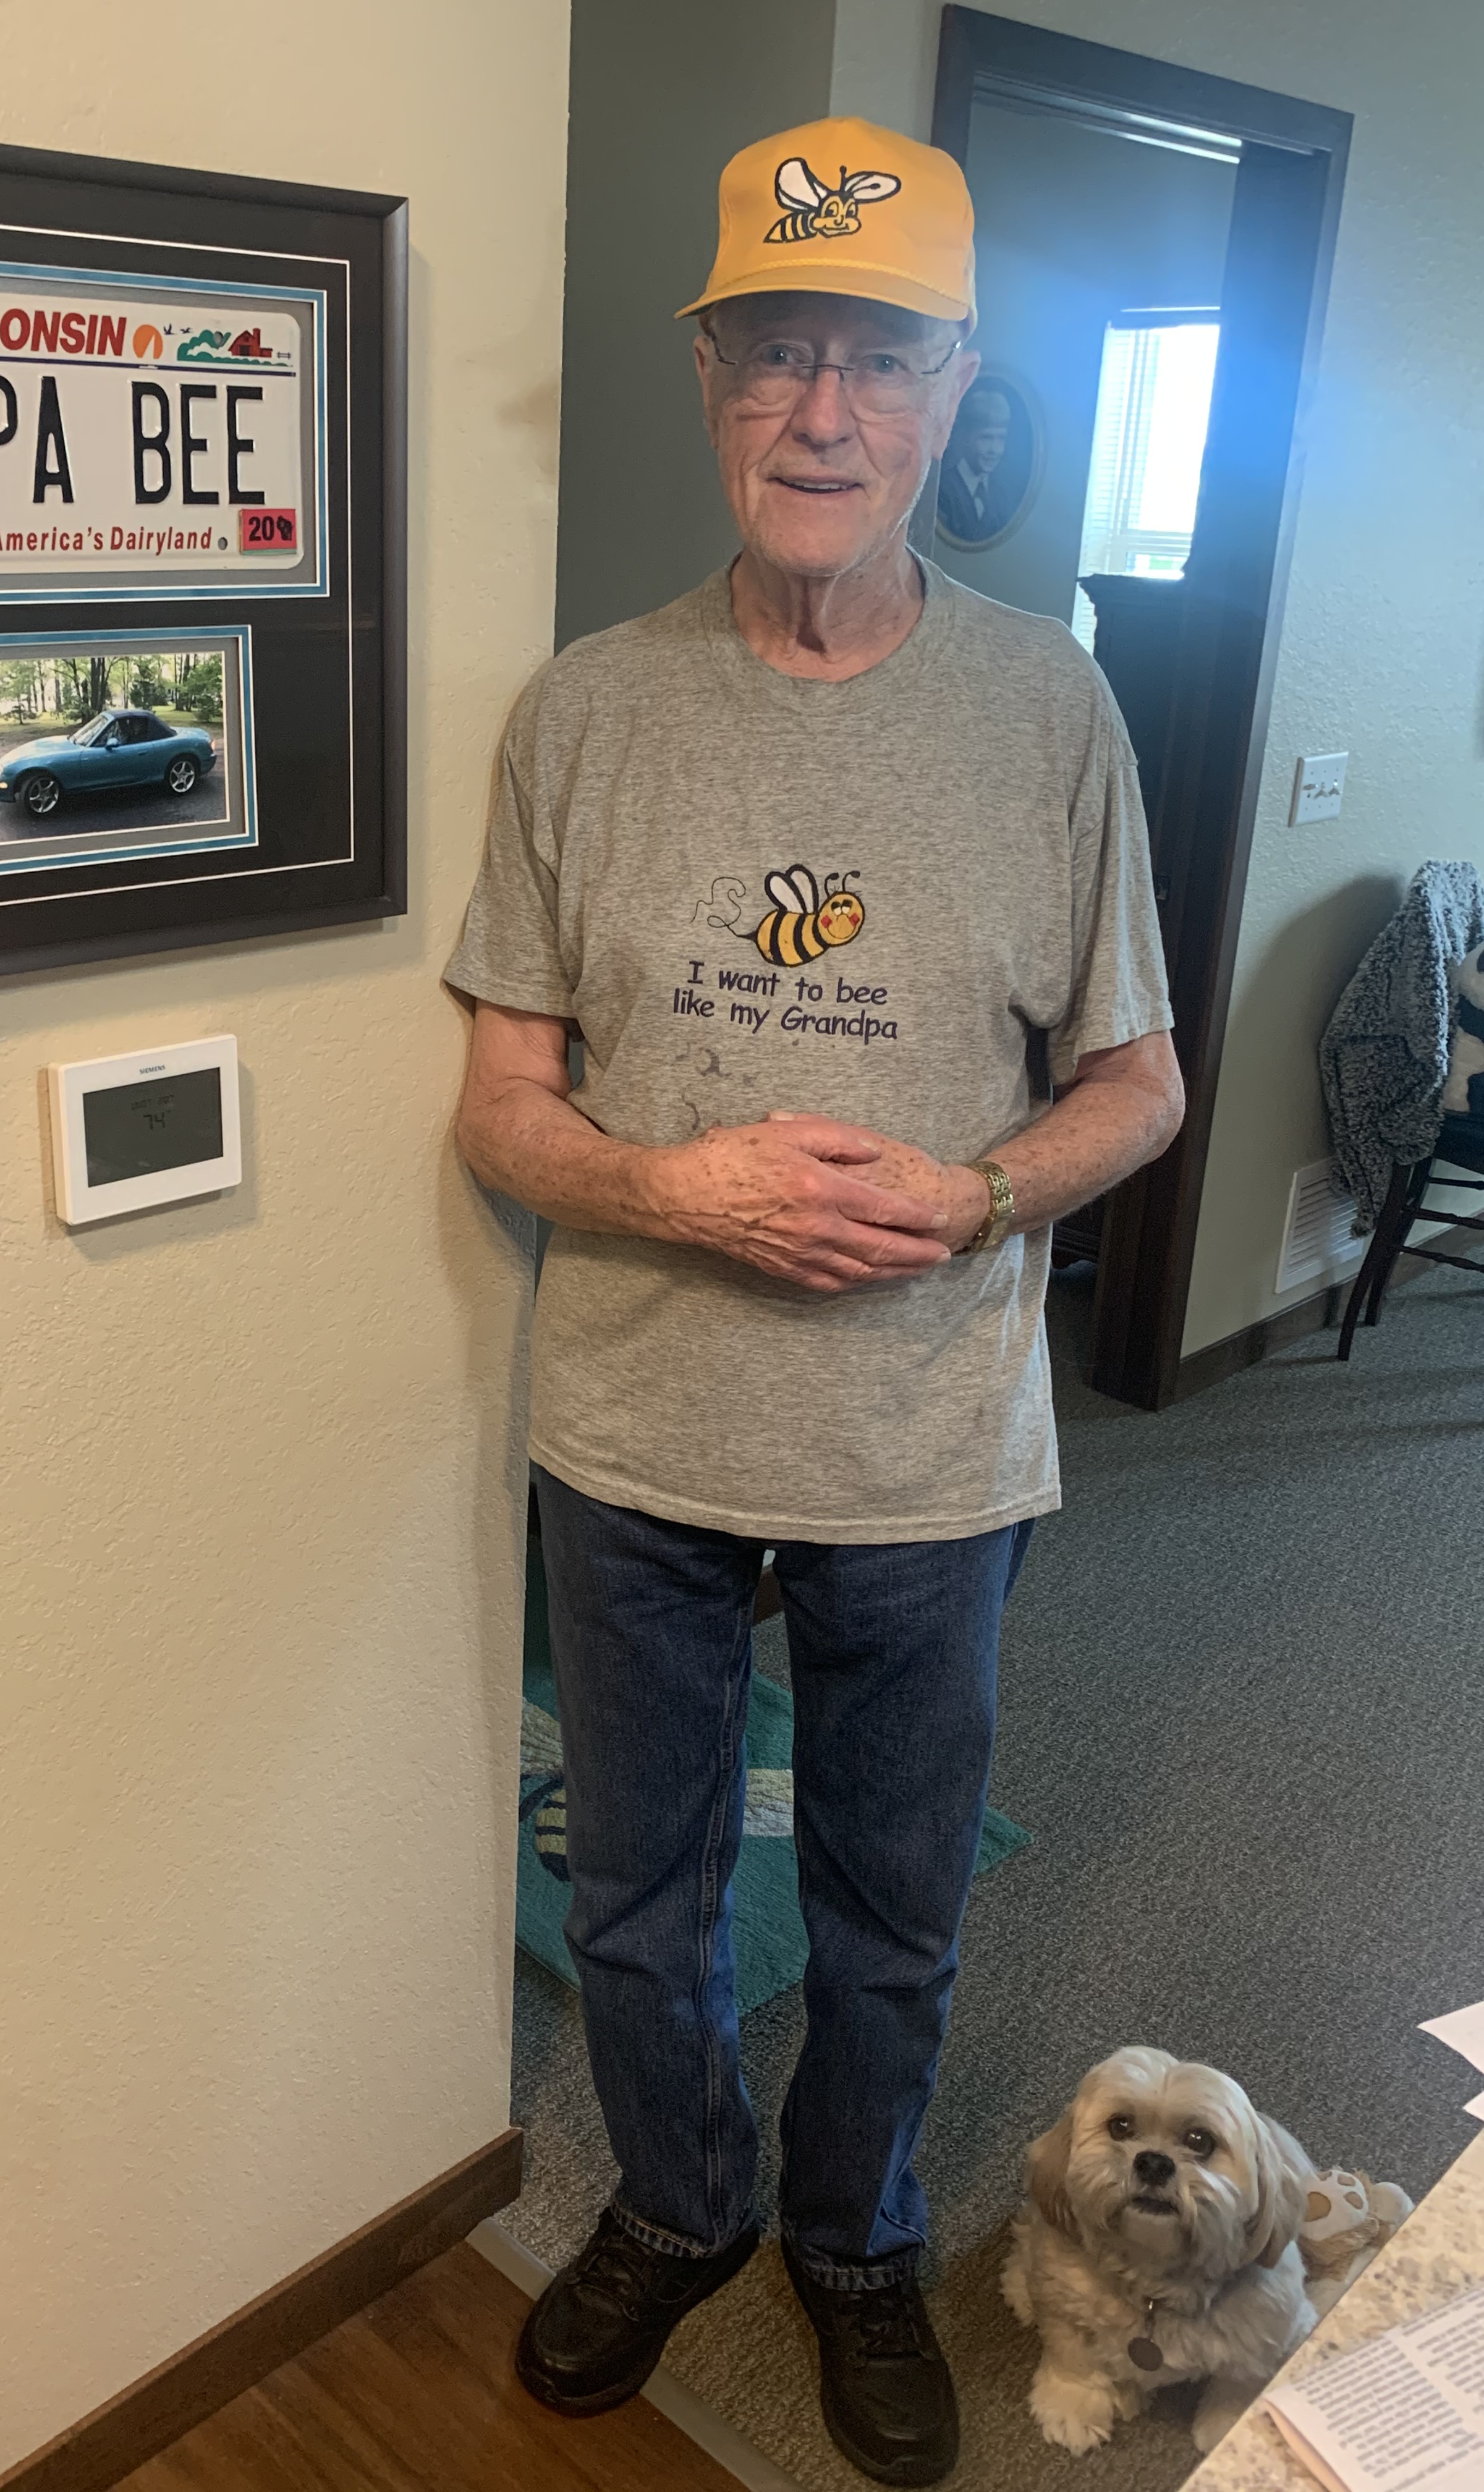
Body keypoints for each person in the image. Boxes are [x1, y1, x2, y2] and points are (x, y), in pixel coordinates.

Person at [448, 110, 1182, 2487]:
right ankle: (677, 2199)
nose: (821, 411)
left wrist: (969, 1196)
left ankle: (853, 2237)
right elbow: (501, 1107)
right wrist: (674, 1185)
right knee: (632, 1893)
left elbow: (1139, 1086)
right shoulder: (581, 712)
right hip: (635, 1430)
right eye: (773, 351)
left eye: (876, 358)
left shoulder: (1048, 712)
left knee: (886, 1903)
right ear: (708, 382)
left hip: (926, 1443)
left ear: (951, 388)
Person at [937, 382, 1018, 542]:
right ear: (965, 438)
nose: (994, 450)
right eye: (986, 438)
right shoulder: (945, 491)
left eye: (1001, 439)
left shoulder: (1003, 491)